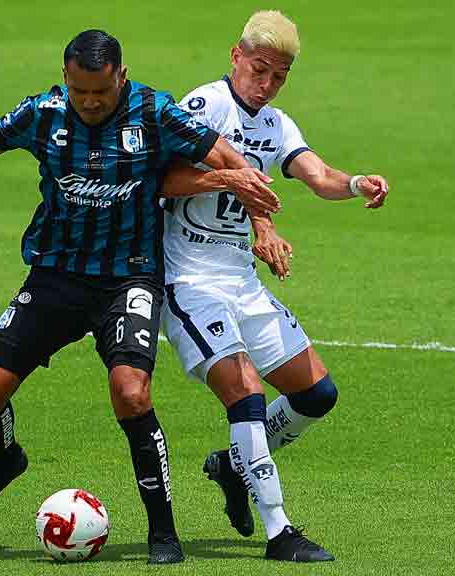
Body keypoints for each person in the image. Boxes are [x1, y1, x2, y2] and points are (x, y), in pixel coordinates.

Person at [0, 29, 279, 565]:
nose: (90, 103)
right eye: (80, 91)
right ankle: (4, 460)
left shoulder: (154, 111)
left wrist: (260, 222)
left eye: (101, 93)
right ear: (66, 79)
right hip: (55, 277)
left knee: (131, 393)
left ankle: (164, 532)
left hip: (127, 278)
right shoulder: (43, 112)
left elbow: (228, 158)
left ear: (121, 79)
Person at [158, 10, 390, 562]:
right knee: (247, 394)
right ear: (236, 55)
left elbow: (320, 176)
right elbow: (160, 179)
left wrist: (357, 184)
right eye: (258, 70)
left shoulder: (277, 125)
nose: (265, 85)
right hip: (189, 280)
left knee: (316, 394)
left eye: (278, 77)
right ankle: (279, 532)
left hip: (241, 280)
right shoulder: (205, 105)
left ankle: (233, 467)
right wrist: (228, 177)